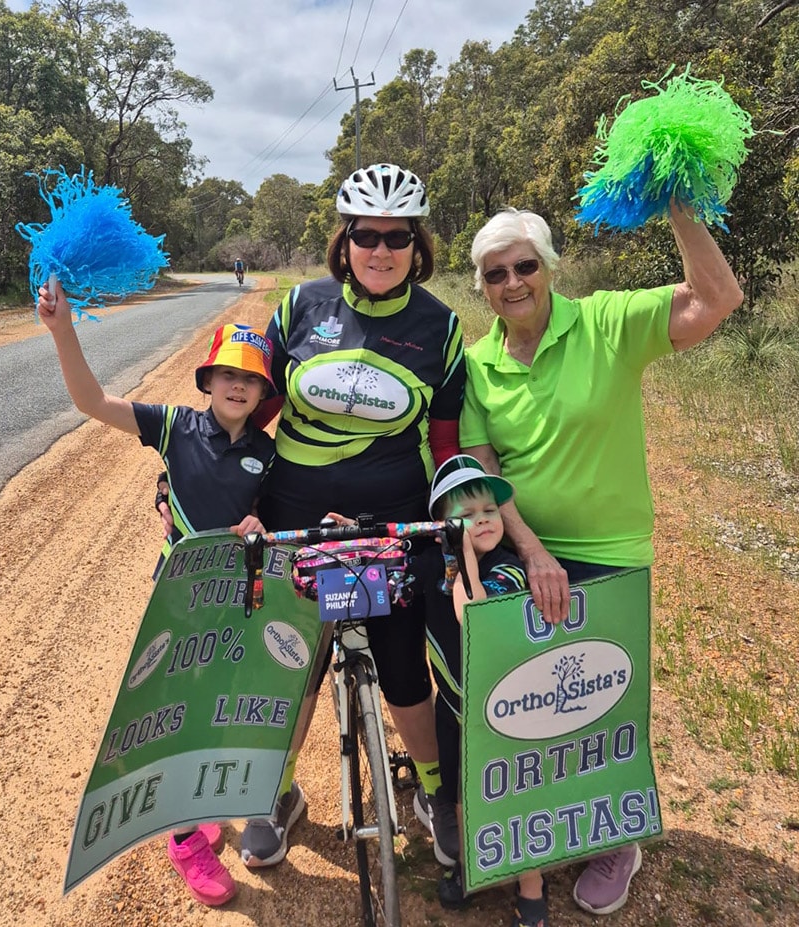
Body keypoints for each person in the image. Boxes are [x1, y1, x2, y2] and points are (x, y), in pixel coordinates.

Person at [460, 204, 744, 916]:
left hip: (610, 553)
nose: (513, 282)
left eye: (525, 266)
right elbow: (485, 468)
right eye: (495, 274)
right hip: (524, 554)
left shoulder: (607, 322)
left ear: (550, 267)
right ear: (482, 287)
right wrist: (532, 550)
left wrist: (677, 205)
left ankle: (618, 839)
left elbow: (717, 300)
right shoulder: (478, 365)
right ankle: (542, 825)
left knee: (603, 701)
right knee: (532, 705)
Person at [232, 162, 467, 869]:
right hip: (294, 516)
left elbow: (445, 442)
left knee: (403, 668)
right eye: (367, 235)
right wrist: (207, 474)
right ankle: (274, 793)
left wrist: (462, 517)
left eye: (397, 237)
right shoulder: (301, 306)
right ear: (346, 240)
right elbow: (251, 408)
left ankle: (435, 793)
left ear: (417, 244)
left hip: (390, 521)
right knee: (293, 664)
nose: (381, 250)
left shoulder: (441, 326)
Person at [38, 282, 276, 907]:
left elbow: (273, 521)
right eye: (227, 374)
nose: (237, 386)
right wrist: (64, 330)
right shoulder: (174, 427)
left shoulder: (268, 453)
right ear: (207, 380)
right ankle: (184, 841)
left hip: (236, 602)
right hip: (177, 599)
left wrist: (261, 524)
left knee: (218, 708)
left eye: (250, 380)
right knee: (173, 716)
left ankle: (195, 806)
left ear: (263, 394)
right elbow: (93, 401)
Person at [413, 454, 550, 926]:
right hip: (453, 706)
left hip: (506, 712)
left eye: (490, 510)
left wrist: (462, 553)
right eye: (467, 514)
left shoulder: (508, 569)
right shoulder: (429, 563)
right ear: (441, 525)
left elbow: (471, 612)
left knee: (515, 795)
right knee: (459, 789)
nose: (484, 519)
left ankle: (532, 888)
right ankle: (474, 866)